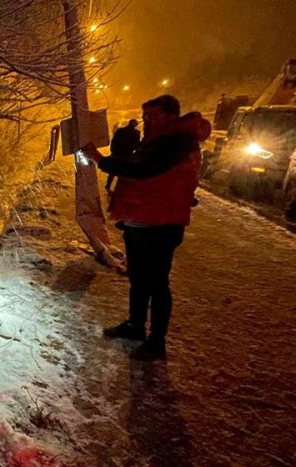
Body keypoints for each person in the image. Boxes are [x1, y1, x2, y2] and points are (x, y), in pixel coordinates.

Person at [82, 95, 211, 361]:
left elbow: (141, 171)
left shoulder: (174, 142)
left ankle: (156, 341)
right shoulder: (163, 140)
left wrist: (99, 159)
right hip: (144, 220)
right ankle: (135, 325)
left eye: (152, 116)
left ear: (170, 115)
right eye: (145, 116)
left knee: (156, 283)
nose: (146, 121)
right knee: (139, 278)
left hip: (159, 225)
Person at [105, 118, 140, 193]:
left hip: (118, 153)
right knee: (124, 172)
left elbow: (114, 141)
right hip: (127, 154)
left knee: (113, 171)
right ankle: (122, 188)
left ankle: (108, 185)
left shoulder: (120, 131)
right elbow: (137, 144)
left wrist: (113, 150)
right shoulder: (136, 133)